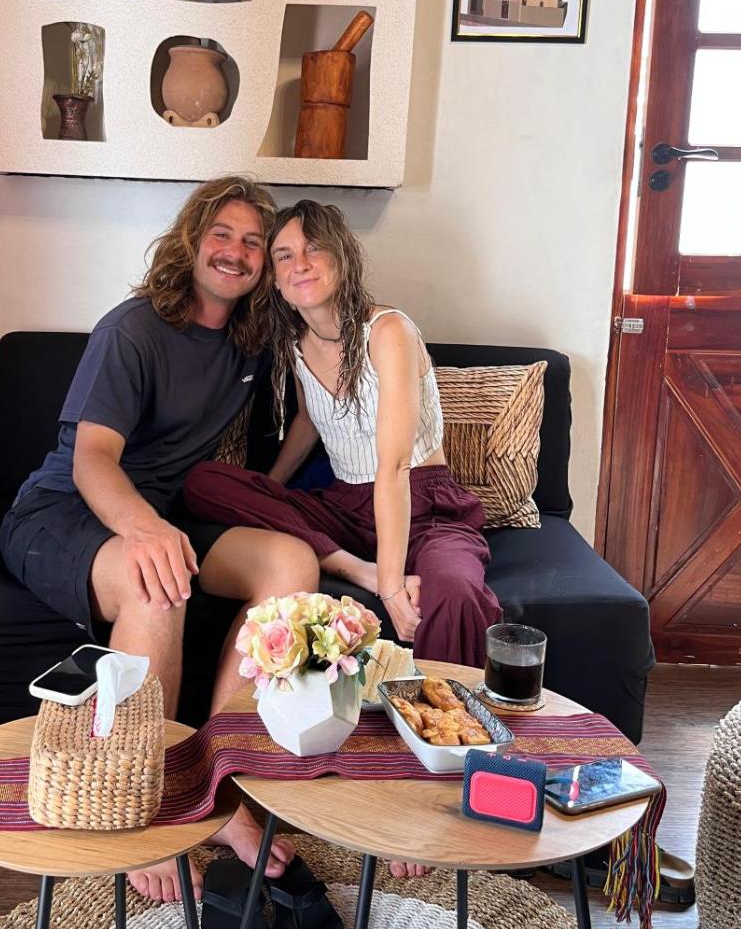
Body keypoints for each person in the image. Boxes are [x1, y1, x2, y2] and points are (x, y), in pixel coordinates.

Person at [0, 175, 309, 902]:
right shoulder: (132, 330)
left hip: (163, 512)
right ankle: (145, 811)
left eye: (254, 243)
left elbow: (332, 339)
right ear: (192, 240)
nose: (235, 252)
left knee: (291, 564)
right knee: (156, 584)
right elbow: (91, 459)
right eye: (222, 234)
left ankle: (218, 787)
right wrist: (146, 531)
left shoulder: (250, 339)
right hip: (63, 513)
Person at [184, 197, 503, 674]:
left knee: (455, 591)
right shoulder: (294, 343)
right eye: (285, 255)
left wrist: (392, 588)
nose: (300, 264)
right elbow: (309, 421)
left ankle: (438, 712)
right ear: (274, 278)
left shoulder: (388, 331)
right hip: (345, 508)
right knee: (204, 482)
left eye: (314, 248)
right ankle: (354, 567)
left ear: (342, 258)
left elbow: (394, 467)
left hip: (422, 506)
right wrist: (269, 490)